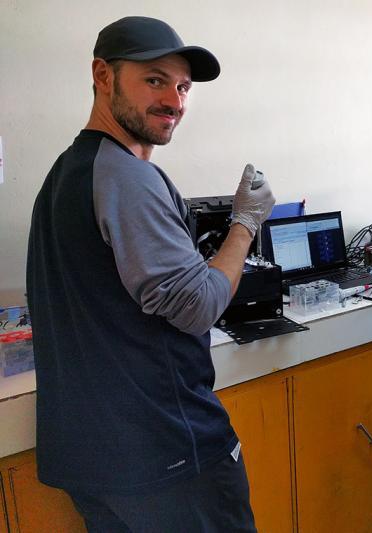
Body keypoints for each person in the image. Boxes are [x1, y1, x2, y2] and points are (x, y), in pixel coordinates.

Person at [26, 16, 275, 531]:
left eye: (183, 86)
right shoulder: (125, 177)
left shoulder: (69, 170)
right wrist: (245, 222)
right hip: (166, 452)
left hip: (94, 456)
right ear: (103, 75)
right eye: (155, 80)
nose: (175, 102)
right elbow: (199, 305)